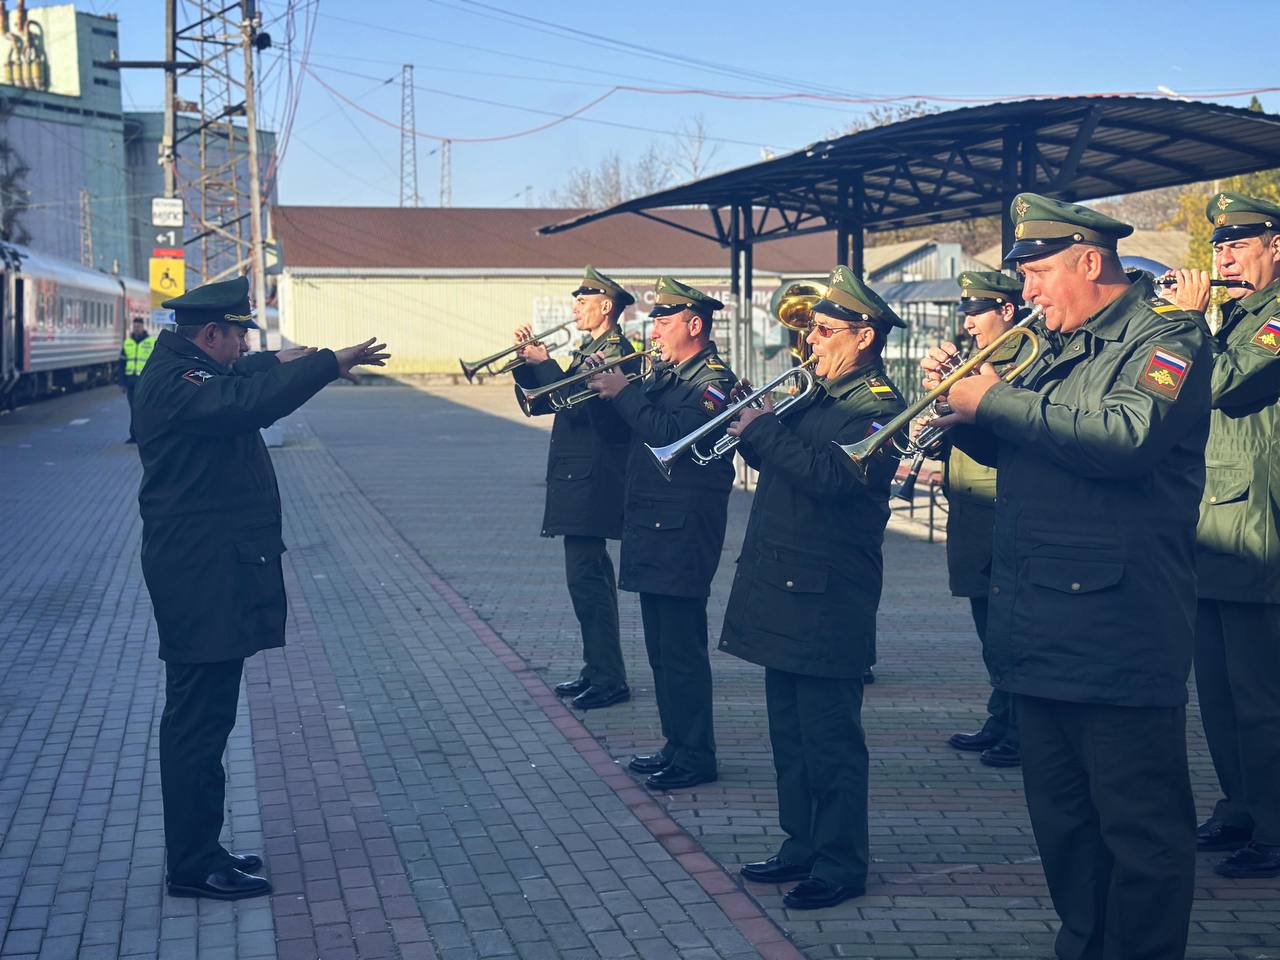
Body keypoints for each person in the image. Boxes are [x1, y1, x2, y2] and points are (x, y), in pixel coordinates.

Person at [924, 193, 1210, 960]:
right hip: (1042, 626)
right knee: (1066, 828)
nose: (1029, 292)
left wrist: (997, 400)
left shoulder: (1168, 336)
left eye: (1040, 271)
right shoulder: (1056, 346)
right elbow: (1044, 456)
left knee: (1139, 835)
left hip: (1119, 632)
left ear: (1091, 261)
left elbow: (1126, 436)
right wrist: (973, 425)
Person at [133, 276, 389, 901]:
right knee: (198, 722)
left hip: (205, 573)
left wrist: (280, 358)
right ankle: (193, 864)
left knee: (208, 718)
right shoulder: (176, 383)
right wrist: (330, 362)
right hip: (199, 577)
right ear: (211, 333)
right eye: (240, 334)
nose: (245, 343)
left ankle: (201, 847)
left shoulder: (189, 369)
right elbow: (243, 402)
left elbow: (239, 383)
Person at [720, 265, 905, 910]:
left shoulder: (879, 407)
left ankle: (840, 860)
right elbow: (784, 463)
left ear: (864, 337)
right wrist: (752, 431)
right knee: (789, 735)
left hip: (828, 594)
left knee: (830, 740)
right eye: (809, 330)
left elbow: (832, 476)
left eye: (825, 331)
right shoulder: (818, 395)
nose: (811, 342)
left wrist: (766, 432)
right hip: (784, 585)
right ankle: (800, 842)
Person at [1166, 192, 1280, 880]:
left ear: (1277, 247)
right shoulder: (1234, 316)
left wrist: (1191, 323)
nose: (1226, 259)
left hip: (1257, 532)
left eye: (1240, 246)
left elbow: (1226, 382)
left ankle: (1273, 824)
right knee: (1218, 693)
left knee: (1261, 699)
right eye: (1220, 248)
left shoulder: (1272, 322)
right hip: (1210, 525)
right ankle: (1241, 804)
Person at [586, 276, 736, 791]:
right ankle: (677, 744)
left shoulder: (712, 381)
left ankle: (696, 755)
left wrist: (626, 392)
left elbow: (675, 436)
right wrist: (605, 394)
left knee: (681, 651)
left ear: (695, 325)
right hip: (654, 525)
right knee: (661, 650)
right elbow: (631, 433)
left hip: (683, 530)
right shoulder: (669, 375)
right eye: (654, 319)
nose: (655, 329)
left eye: (665, 320)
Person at [511, 266, 636, 711]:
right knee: (586, 584)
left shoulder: (618, 353)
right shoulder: (590, 349)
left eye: (582, 302)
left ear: (607, 307)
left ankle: (608, 678)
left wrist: (546, 364)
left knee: (589, 584)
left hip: (594, 482)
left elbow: (582, 410)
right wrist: (527, 368)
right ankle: (596, 670)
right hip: (577, 479)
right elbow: (546, 402)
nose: (574, 308)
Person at [941, 271, 1044, 769]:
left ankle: (1021, 727)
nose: (968, 322)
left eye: (977, 311)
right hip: (970, 508)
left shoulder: (1022, 360)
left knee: (1010, 629)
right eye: (966, 311)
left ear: (1007, 311)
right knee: (988, 629)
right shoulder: (974, 363)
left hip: (998, 504)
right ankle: (1000, 715)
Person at [121, 315, 155, 443]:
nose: (136, 329)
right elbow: (121, 364)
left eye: (138, 326)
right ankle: (134, 435)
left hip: (145, 382)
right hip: (131, 382)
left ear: (143, 327)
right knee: (133, 409)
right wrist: (122, 383)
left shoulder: (150, 342)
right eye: (134, 326)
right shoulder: (127, 343)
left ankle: (144, 435)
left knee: (143, 409)